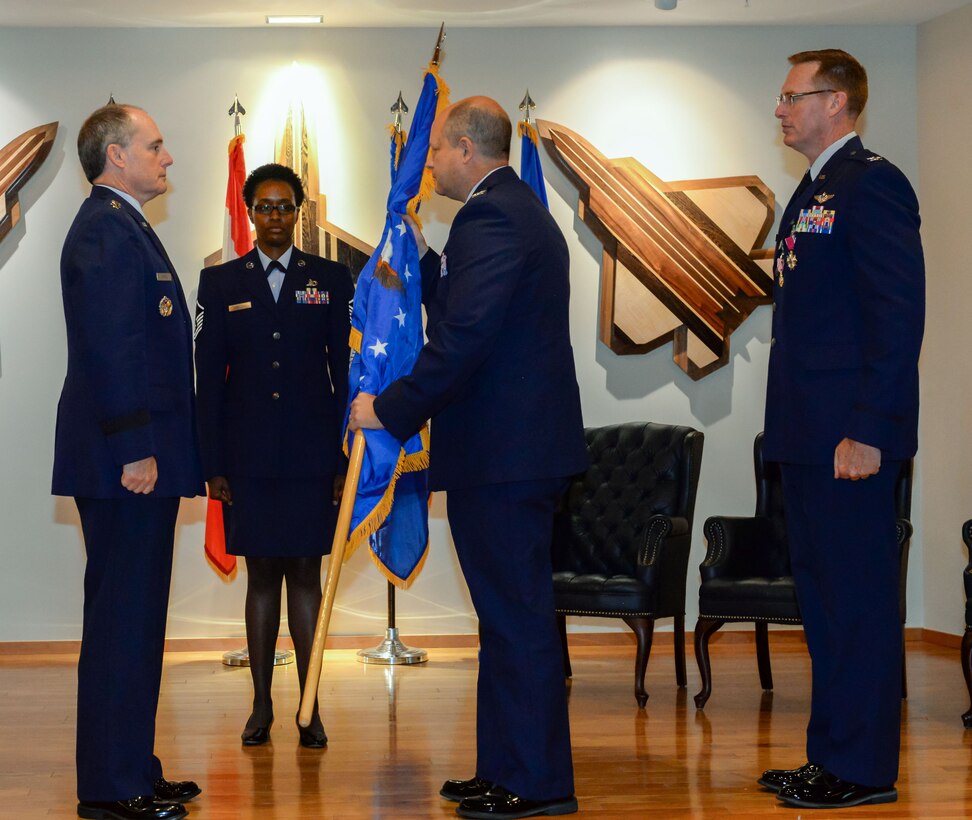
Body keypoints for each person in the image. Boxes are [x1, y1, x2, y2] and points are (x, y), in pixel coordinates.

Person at [349, 96, 587, 820]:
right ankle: (504, 768)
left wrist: (387, 411)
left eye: (433, 155)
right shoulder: (506, 213)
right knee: (506, 620)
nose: (426, 166)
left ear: (462, 148)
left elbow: (465, 339)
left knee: (517, 621)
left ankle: (537, 783)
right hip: (508, 453)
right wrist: (412, 253)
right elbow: (463, 307)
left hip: (506, 456)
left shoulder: (492, 217)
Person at [758, 50, 924, 809]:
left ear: (838, 101)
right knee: (824, 609)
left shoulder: (873, 183)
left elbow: (896, 320)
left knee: (856, 605)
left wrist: (869, 429)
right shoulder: (816, 189)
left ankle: (862, 771)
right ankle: (831, 756)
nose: (781, 109)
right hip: (806, 437)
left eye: (792, 97)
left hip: (849, 443)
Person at [53, 104, 204, 820]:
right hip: (127, 461)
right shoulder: (106, 231)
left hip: (138, 456)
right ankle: (113, 789)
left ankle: (133, 769)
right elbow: (113, 348)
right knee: (122, 623)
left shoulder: (124, 227)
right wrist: (136, 445)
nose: (166, 157)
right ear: (116, 156)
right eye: (156, 144)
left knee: (137, 621)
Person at [194, 163, 353, 749]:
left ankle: (309, 708)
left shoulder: (333, 278)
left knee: (306, 578)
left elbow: (344, 371)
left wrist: (342, 460)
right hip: (248, 459)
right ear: (249, 212)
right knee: (261, 580)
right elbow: (207, 380)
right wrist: (212, 463)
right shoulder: (220, 283)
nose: (276, 217)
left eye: (286, 206)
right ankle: (261, 704)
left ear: (299, 211)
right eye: (264, 207)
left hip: (313, 457)